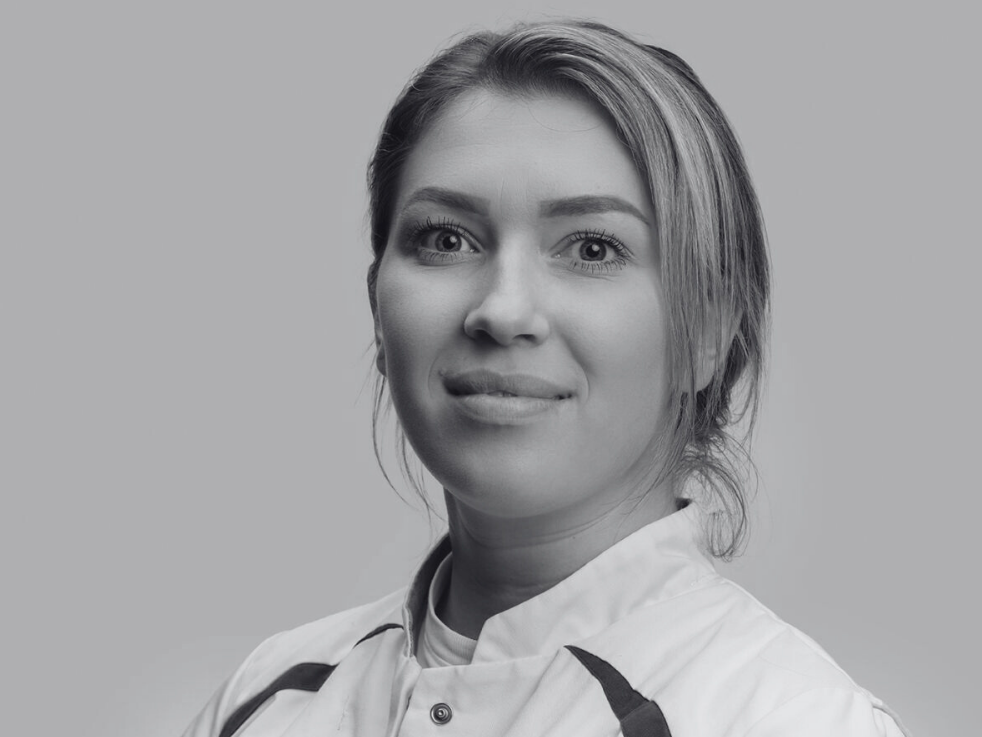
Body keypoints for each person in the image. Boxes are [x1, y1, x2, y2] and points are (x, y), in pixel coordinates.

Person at [183, 19, 909, 737]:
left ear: (706, 331)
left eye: (592, 248)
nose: (502, 310)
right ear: (377, 305)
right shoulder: (263, 700)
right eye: (445, 238)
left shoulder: (789, 720)